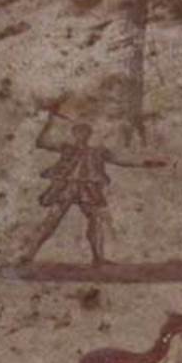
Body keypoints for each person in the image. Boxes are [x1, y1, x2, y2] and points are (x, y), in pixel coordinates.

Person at [21, 110, 164, 264]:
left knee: (95, 219)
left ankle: (98, 258)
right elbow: (42, 142)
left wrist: (145, 163)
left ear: (89, 135)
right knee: (52, 219)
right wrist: (50, 121)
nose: (81, 135)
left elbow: (120, 160)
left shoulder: (97, 152)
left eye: (85, 132)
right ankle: (29, 254)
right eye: (78, 132)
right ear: (74, 134)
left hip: (88, 188)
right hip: (66, 186)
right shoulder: (67, 148)